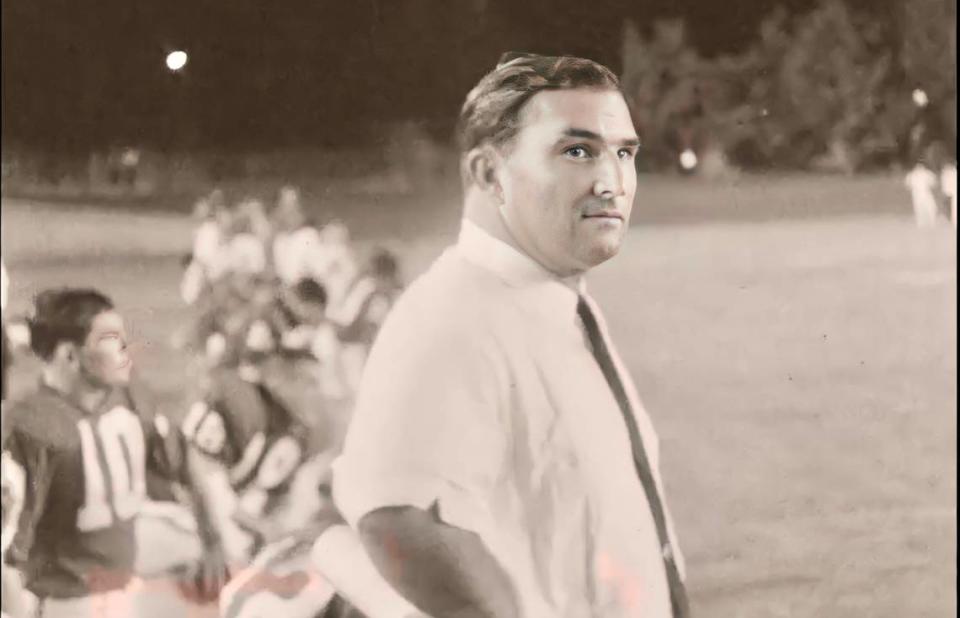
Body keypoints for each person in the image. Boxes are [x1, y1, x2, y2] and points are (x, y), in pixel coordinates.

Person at [332, 52, 689, 617]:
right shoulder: (455, 316)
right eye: (578, 151)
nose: (612, 181)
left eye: (624, 153)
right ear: (488, 174)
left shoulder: (552, 306)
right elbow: (395, 516)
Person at [1, 288, 228, 617]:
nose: (125, 350)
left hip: (122, 587)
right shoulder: (32, 426)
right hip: (65, 603)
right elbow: (7, 554)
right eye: (109, 339)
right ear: (70, 356)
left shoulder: (128, 395)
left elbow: (183, 458)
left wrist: (213, 543)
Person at [941, 159, 957, 229]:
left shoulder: (950, 172)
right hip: (953, 192)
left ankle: (954, 222)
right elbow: (946, 183)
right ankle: (954, 222)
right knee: (954, 208)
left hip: (953, 192)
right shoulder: (948, 173)